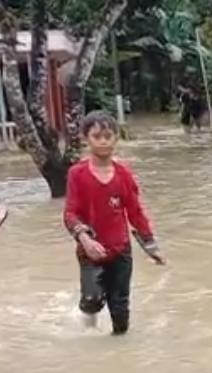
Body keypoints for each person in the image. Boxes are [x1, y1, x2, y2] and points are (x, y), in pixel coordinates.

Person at [64, 111, 164, 336]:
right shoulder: (77, 174)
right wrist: (84, 238)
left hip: (120, 251)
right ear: (85, 139)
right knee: (92, 300)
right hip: (89, 251)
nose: (103, 141)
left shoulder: (124, 175)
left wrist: (150, 246)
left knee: (120, 312)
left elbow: (135, 213)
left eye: (108, 136)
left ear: (116, 138)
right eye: (97, 136)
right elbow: (70, 213)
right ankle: (88, 332)